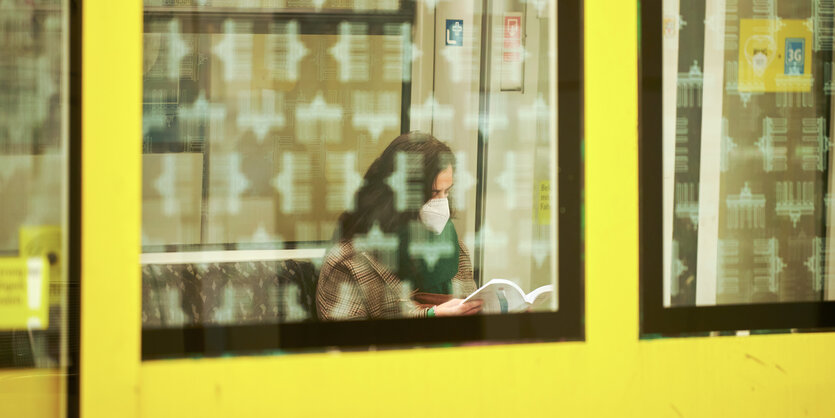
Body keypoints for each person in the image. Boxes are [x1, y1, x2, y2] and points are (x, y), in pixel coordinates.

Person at [316, 132, 483, 320]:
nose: (442, 203)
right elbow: (347, 342)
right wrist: (429, 317)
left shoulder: (455, 249)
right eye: (433, 193)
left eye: (446, 192)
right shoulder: (348, 262)